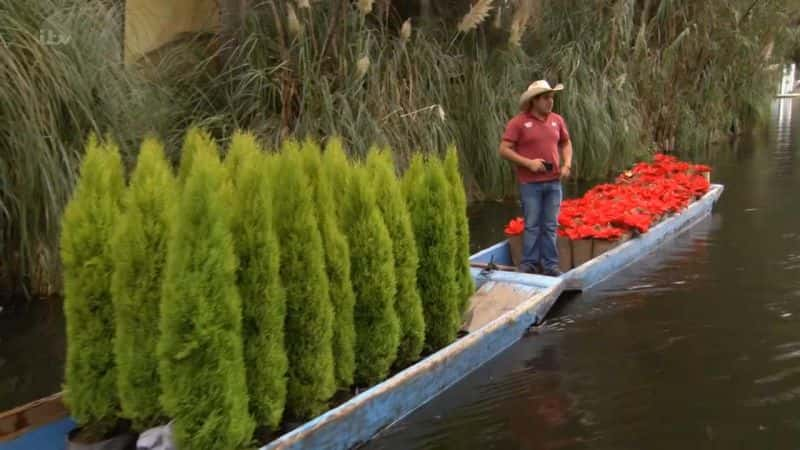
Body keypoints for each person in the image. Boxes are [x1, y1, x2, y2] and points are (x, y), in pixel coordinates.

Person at [498, 80, 573, 276]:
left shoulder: (557, 120)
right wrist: (528, 163)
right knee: (532, 225)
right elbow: (504, 150)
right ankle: (528, 265)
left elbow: (566, 143)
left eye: (552, 98)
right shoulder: (518, 123)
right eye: (546, 98)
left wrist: (567, 164)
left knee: (550, 225)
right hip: (530, 184)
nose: (550, 102)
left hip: (554, 182)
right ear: (534, 100)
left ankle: (550, 265)